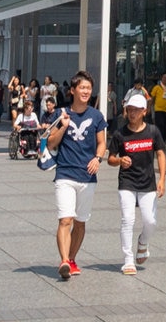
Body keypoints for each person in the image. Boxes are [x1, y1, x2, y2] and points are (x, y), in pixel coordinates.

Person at [47, 72, 107, 280]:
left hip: (87, 176)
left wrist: (97, 159)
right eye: (82, 88)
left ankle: (72, 259)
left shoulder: (96, 116)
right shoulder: (60, 113)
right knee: (66, 219)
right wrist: (63, 124)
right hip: (65, 173)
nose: (86, 91)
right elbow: (51, 143)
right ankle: (64, 260)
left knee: (80, 222)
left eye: (88, 88)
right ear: (72, 90)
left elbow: (101, 143)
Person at [103, 89, 166, 274]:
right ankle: (128, 259)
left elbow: (161, 154)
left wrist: (162, 179)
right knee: (127, 220)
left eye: (136, 110)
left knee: (150, 221)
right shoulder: (119, 134)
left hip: (148, 183)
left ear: (144, 112)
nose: (132, 113)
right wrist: (120, 161)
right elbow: (110, 158)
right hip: (127, 182)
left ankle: (143, 242)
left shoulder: (153, 131)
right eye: (129, 109)